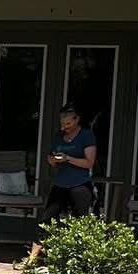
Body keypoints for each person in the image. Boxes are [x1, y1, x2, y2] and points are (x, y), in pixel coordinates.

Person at [31, 104, 97, 252]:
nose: (65, 126)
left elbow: (89, 163)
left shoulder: (86, 135)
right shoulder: (59, 136)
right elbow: (52, 157)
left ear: (77, 120)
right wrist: (52, 160)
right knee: (46, 221)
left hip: (80, 184)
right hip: (61, 183)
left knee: (80, 222)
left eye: (68, 123)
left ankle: (79, 257)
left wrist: (68, 158)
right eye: (62, 123)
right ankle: (32, 258)